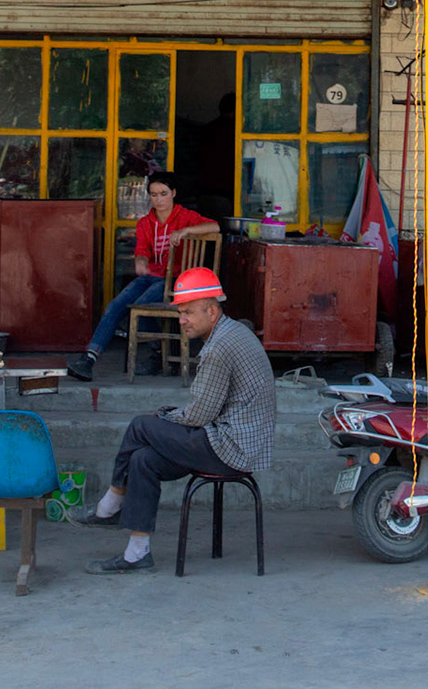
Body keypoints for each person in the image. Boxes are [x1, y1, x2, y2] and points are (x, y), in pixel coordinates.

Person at [69, 267, 274, 574]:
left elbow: (199, 415)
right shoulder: (231, 333)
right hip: (232, 441)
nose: (182, 320)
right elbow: (205, 411)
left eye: (189, 312)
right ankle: (137, 553)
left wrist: (164, 417)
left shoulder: (220, 347)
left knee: (142, 425)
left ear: (212, 310)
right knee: (143, 458)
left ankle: (108, 507)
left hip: (231, 449)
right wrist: (168, 419)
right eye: (181, 312)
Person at [67, 171, 218, 381]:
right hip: (152, 276)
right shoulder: (145, 222)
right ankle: (89, 358)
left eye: (163, 193)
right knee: (115, 306)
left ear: (173, 193)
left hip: (175, 280)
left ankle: (158, 354)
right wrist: (141, 260)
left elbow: (215, 226)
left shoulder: (185, 216)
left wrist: (186, 231)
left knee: (139, 306)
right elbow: (142, 250)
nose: (159, 199)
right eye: (154, 194)